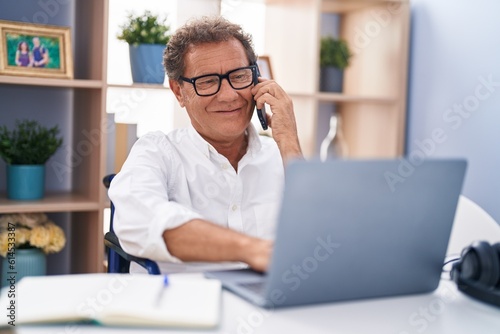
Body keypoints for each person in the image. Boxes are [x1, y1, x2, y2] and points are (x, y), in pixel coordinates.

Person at [108, 16, 302, 274]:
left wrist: (289, 142)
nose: (229, 95)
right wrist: (252, 250)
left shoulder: (282, 158)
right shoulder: (157, 152)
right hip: (184, 307)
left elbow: (325, 235)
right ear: (179, 92)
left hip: (276, 305)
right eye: (208, 81)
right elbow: (140, 221)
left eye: (239, 76)